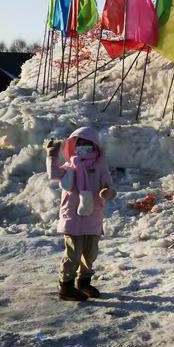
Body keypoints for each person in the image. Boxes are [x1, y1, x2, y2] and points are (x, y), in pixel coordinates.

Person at [46, 126, 116, 301]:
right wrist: (52, 155)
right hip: (72, 216)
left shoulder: (100, 167)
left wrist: (107, 193)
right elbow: (54, 174)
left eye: (88, 144)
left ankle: (84, 281)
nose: (83, 147)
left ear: (95, 146)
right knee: (73, 253)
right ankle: (66, 286)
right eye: (79, 143)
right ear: (73, 145)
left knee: (90, 253)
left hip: (93, 216)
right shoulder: (70, 165)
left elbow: (110, 187)